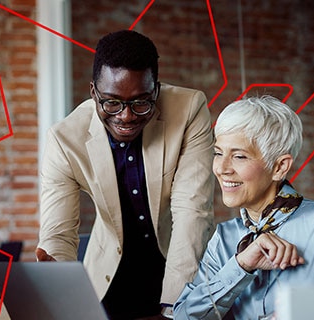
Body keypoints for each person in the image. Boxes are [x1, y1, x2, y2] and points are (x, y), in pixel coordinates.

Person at [35, 30, 215, 319]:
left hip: (179, 265)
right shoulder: (65, 139)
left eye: (141, 102)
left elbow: (193, 210)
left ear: (156, 89)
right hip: (108, 279)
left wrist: (174, 306)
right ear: (94, 92)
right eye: (111, 102)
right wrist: (56, 282)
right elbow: (59, 232)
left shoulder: (189, 110)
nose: (126, 116)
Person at [173, 95, 314, 320]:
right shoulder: (224, 237)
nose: (222, 168)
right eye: (218, 153)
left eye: (239, 156)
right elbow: (183, 317)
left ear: (279, 166)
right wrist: (241, 265)